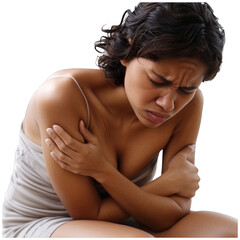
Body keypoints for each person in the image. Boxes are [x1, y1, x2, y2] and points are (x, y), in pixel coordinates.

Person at [2, 2, 237, 238]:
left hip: (127, 223)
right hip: (44, 224)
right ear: (128, 49)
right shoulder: (61, 96)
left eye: (187, 89)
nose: (169, 104)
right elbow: (87, 214)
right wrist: (161, 185)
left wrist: (104, 171)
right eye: (158, 80)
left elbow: (175, 211)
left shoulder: (190, 105)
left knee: (229, 230)